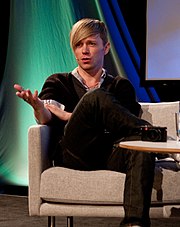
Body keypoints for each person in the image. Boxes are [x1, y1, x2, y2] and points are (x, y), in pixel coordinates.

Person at [14, 18, 155, 227]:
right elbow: (47, 117)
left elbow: (125, 127)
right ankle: (155, 136)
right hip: (74, 154)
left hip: (110, 154)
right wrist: (38, 108)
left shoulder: (120, 86)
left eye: (91, 43)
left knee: (140, 146)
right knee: (95, 97)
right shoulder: (57, 82)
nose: (84, 50)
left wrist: (68, 115)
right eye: (79, 45)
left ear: (105, 47)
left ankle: (134, 224)